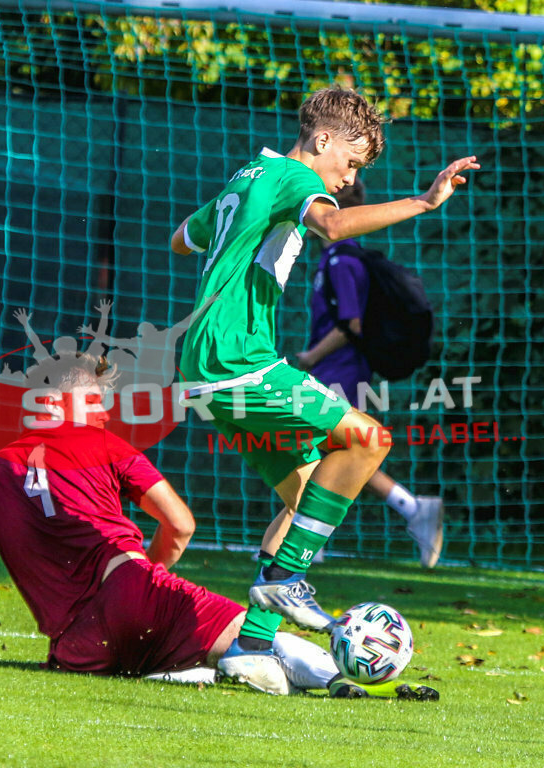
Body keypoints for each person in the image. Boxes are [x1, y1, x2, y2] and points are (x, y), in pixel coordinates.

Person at [169, 87, 478, 675]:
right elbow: (332, 226)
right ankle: (286, 580)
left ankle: (253, 648)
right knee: (369, 440)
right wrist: (422, 201)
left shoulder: (248, 175)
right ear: (323, 140)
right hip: (236, 357)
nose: (348, 176)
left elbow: (181, 239)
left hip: (202, 363)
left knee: (305, 496)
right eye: (352, 163)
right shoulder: (291, 177)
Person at [0, 357, 366, 697]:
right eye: (91, 403)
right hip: (137, 593)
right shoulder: (104, 444)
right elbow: (180, 524)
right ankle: (348, 679)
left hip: (79, 647)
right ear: (51, 404)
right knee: (256, 642)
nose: (103, 414)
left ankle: (193, 672)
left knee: (145, 662)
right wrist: (148, 578)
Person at [296, 178, 444, 568]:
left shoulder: (342, 260)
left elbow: (352, 325)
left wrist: (311, 356)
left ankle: (313, 537)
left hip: (339, 370)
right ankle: (410, 510)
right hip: (339, 369)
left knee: (322, 449)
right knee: (330, 450)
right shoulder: (336, 258)